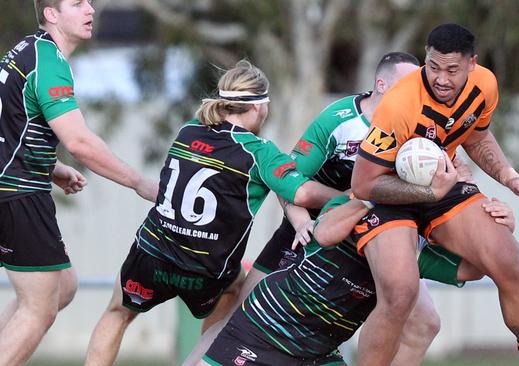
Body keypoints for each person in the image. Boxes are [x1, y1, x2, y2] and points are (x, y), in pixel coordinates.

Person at [185, 52, 466, 366]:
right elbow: (288, 178)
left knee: (424, 323)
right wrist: (302, 220)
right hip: (313, 236)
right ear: (382, 85)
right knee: (242, 314)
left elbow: (444, 181)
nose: (418, 94)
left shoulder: (421, 127)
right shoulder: (340, 120)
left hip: (376, 238)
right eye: (409, 86)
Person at [83, 60, 341, 366]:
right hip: (206, 270)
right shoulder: (259, 151)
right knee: (236, 296)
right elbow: (299, 192)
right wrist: (355, 196)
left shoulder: (188, 130)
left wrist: (298, 219)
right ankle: (204, 359)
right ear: (259, 107)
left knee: (118, 312)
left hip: (153, 251)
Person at [351, 23, 519, 365]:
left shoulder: (484, 85)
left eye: (452, 70)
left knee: (508, 260)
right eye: (433, 67)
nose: (441, 78)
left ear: (472, 64)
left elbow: (476, 137)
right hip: (390, 193)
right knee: (401, 294)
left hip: (441, 183)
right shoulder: (400, 104)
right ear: (425, 59)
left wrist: (509, 176)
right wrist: (427, 190)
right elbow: (363, 184)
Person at [0, 1, 158, 365]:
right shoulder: (48, 63)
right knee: (38, 309)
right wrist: (137, 182)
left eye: (89, 2)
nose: (90, 9)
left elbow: (9, 125)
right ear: (51, 14)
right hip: (18, 194)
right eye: (76, 3)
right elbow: (80, 143)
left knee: (63, 286)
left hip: (14, 187)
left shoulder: (25, 51)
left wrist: (52, 168)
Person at [198, 194, 514, 366]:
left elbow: (475, 268)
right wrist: (375, 194)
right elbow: (323, 232)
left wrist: (497, 226)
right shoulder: (351, 205)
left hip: (319, 352)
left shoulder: (410, 250)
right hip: (263, 332)